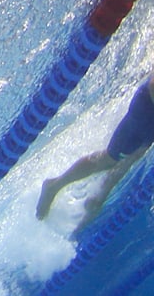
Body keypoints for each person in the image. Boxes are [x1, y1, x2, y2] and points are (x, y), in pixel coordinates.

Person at [37, 67, 154, 228]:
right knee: (109, 159)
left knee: (134, 155)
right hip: (146, 112)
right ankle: (54, 185)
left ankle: (98, 197)